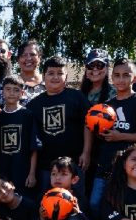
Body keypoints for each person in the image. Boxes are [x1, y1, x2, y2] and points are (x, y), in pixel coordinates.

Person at [90, 57, 136, 213]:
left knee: (120, 208)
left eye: (126, 75)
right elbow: (102, 134)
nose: (121, 79)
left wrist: (121, 136)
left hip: (129, 170)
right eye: (117, 75)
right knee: (94, 204)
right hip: (105, 164)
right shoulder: (107, 104)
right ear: (111, 78)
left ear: (135, 78)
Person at [28, 55, 92, 192]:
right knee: (47, 205)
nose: (55, 77)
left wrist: (86, 152)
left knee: (76, 205)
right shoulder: (34, 105)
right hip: (46, 167)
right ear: (43, 76)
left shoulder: (77, 97)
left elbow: (88, 125)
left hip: (74, 164)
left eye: (60, 73)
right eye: (51, 73)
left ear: (66, 76)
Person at [0, 75, 40, 197]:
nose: (12, 93)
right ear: (2, 92)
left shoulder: (27, 115)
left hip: (22, 171)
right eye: (8, 89)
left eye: (16, 89)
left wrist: (32, 174)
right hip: (2, 171)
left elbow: (34, 147)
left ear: (22, 93)